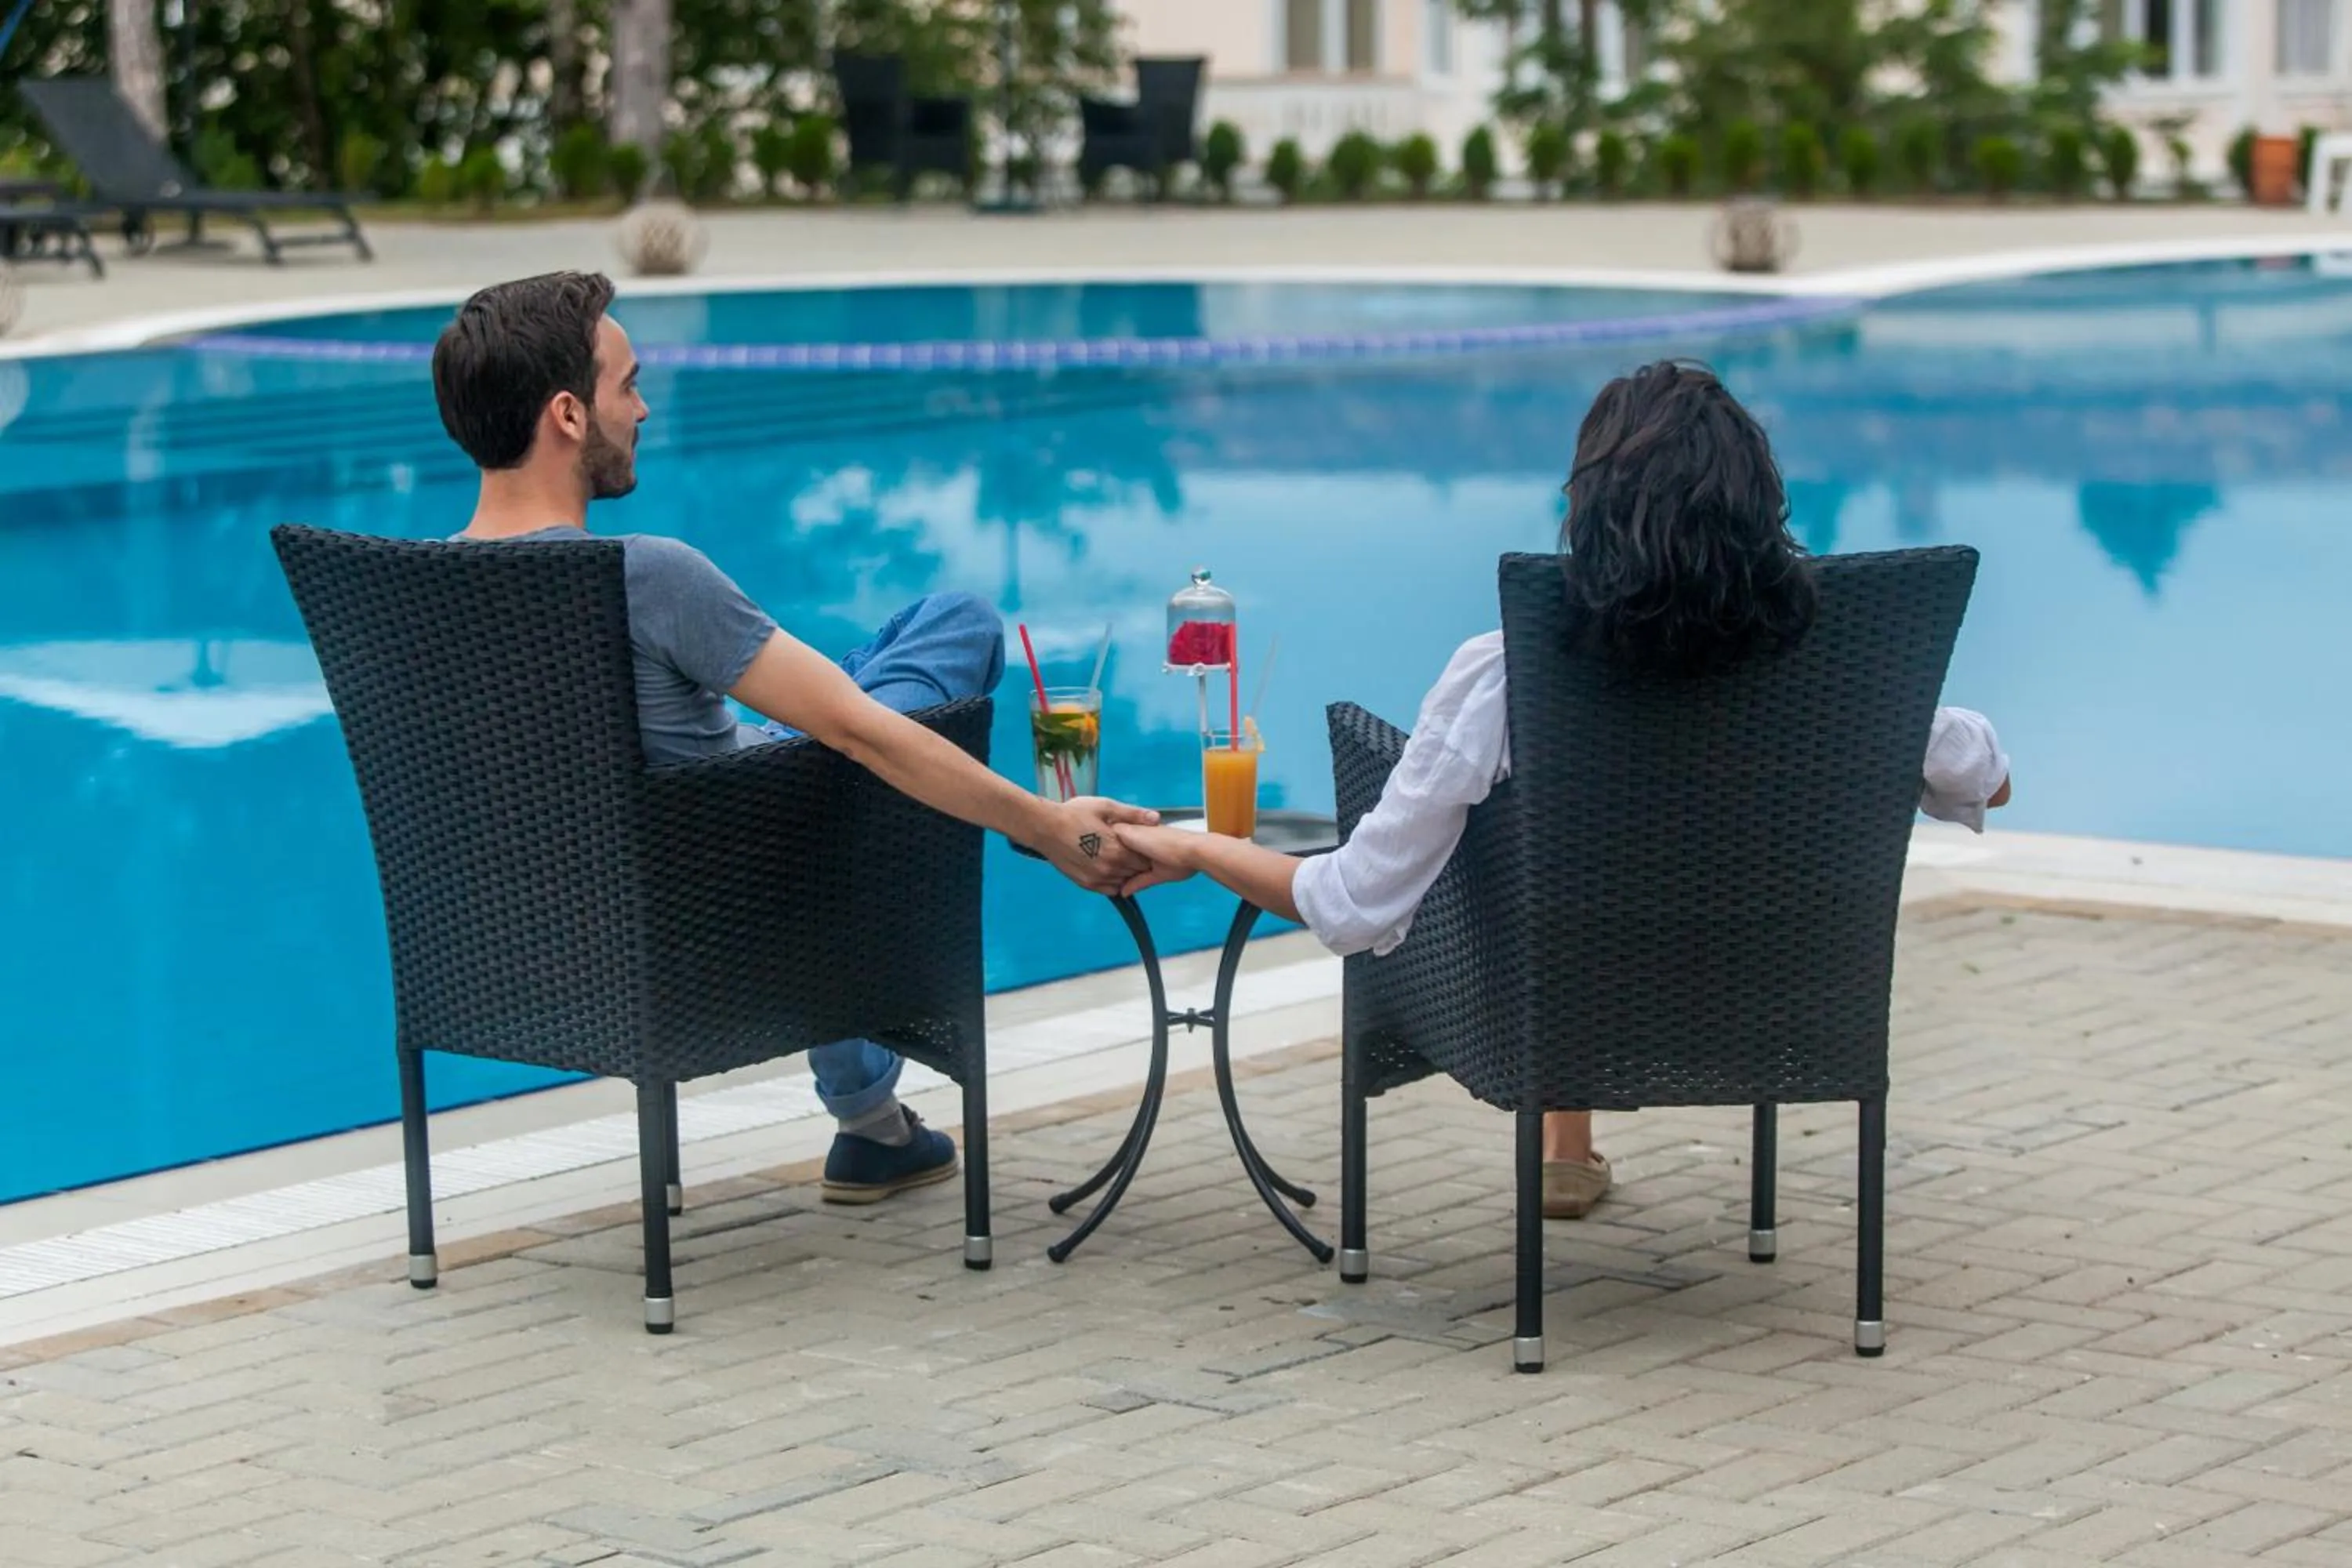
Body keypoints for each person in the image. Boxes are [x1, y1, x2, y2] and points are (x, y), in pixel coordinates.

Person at [1110, 361, 2013, 1221]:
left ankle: (1564, 1134)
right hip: (1774, 1000)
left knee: (1517, 833)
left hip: (1562, 996)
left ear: (1593, 510)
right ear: (1760, 507)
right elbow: (1988, 780)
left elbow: (1349, 904)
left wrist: (1194, 843)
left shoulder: (1511, 675)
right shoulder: (1849, 672)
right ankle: (1567, 1148)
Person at [431, 270, 1156, 1206]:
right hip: (741, 908)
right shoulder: (646, 575)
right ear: (568, 415)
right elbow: (866, 737)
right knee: (951, 633)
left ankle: (871, 1123)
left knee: (846, 683)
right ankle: (866, 1116)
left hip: (544, 941)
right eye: (627, 384)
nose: (644, 407)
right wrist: (1048, 826)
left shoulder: (423, 589)